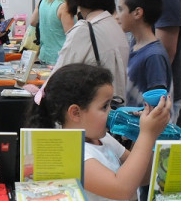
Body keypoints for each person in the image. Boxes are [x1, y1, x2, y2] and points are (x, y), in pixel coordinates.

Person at [27, 64, 171, 201]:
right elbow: (121, 189)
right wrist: (147, 135)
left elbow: (143, 176)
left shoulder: (103, 139)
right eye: (104, 106)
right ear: (75, 112)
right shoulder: (71, 154)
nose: (111, 111)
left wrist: (145, 135)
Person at [33, 0, 129, 102]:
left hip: (88, 111)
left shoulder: (84, 30)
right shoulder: (114, 25)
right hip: (114, 107)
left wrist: (37, 94)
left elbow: (58, 79)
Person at [117, 0, 172, 107]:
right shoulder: (134, 44)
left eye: (121, 10)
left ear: (137, 13)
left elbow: (158, 106)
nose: (117, 16)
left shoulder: (154, 56)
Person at [30, 0, 74, 65]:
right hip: (61, 58)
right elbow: (72, 35)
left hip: (44, 55)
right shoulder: (64, 7)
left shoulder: (44, 0)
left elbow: (33, 22)